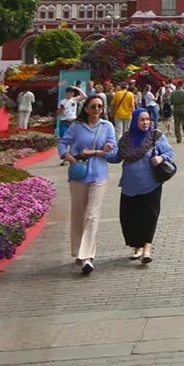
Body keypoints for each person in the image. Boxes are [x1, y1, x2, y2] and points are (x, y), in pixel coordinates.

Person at [58, 93, 120, 275]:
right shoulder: (77, 127)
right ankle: (78, 251)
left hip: (99, 175)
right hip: (79, 175)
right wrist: (69, 157)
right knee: (78, 214)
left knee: (92, 215)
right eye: (93, 107)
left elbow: (113, 151)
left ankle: (87, 256)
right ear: (85, 109)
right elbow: (63, 143)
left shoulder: (107, 126)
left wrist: (103, 150)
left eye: (100, 107)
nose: (97, 110)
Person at [115, 107, 175, 266]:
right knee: (129, 218)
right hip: (129, 186)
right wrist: (101, 151)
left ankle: (147, 247)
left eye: (147, 119)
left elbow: (169, 152)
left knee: (149, 215)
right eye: (142, 120)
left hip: (151, 185)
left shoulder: (156, 136)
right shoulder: (126, 139)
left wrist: (161, 158)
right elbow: (116, 157)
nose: (145, 122)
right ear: (135, 121)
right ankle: (137, 247)